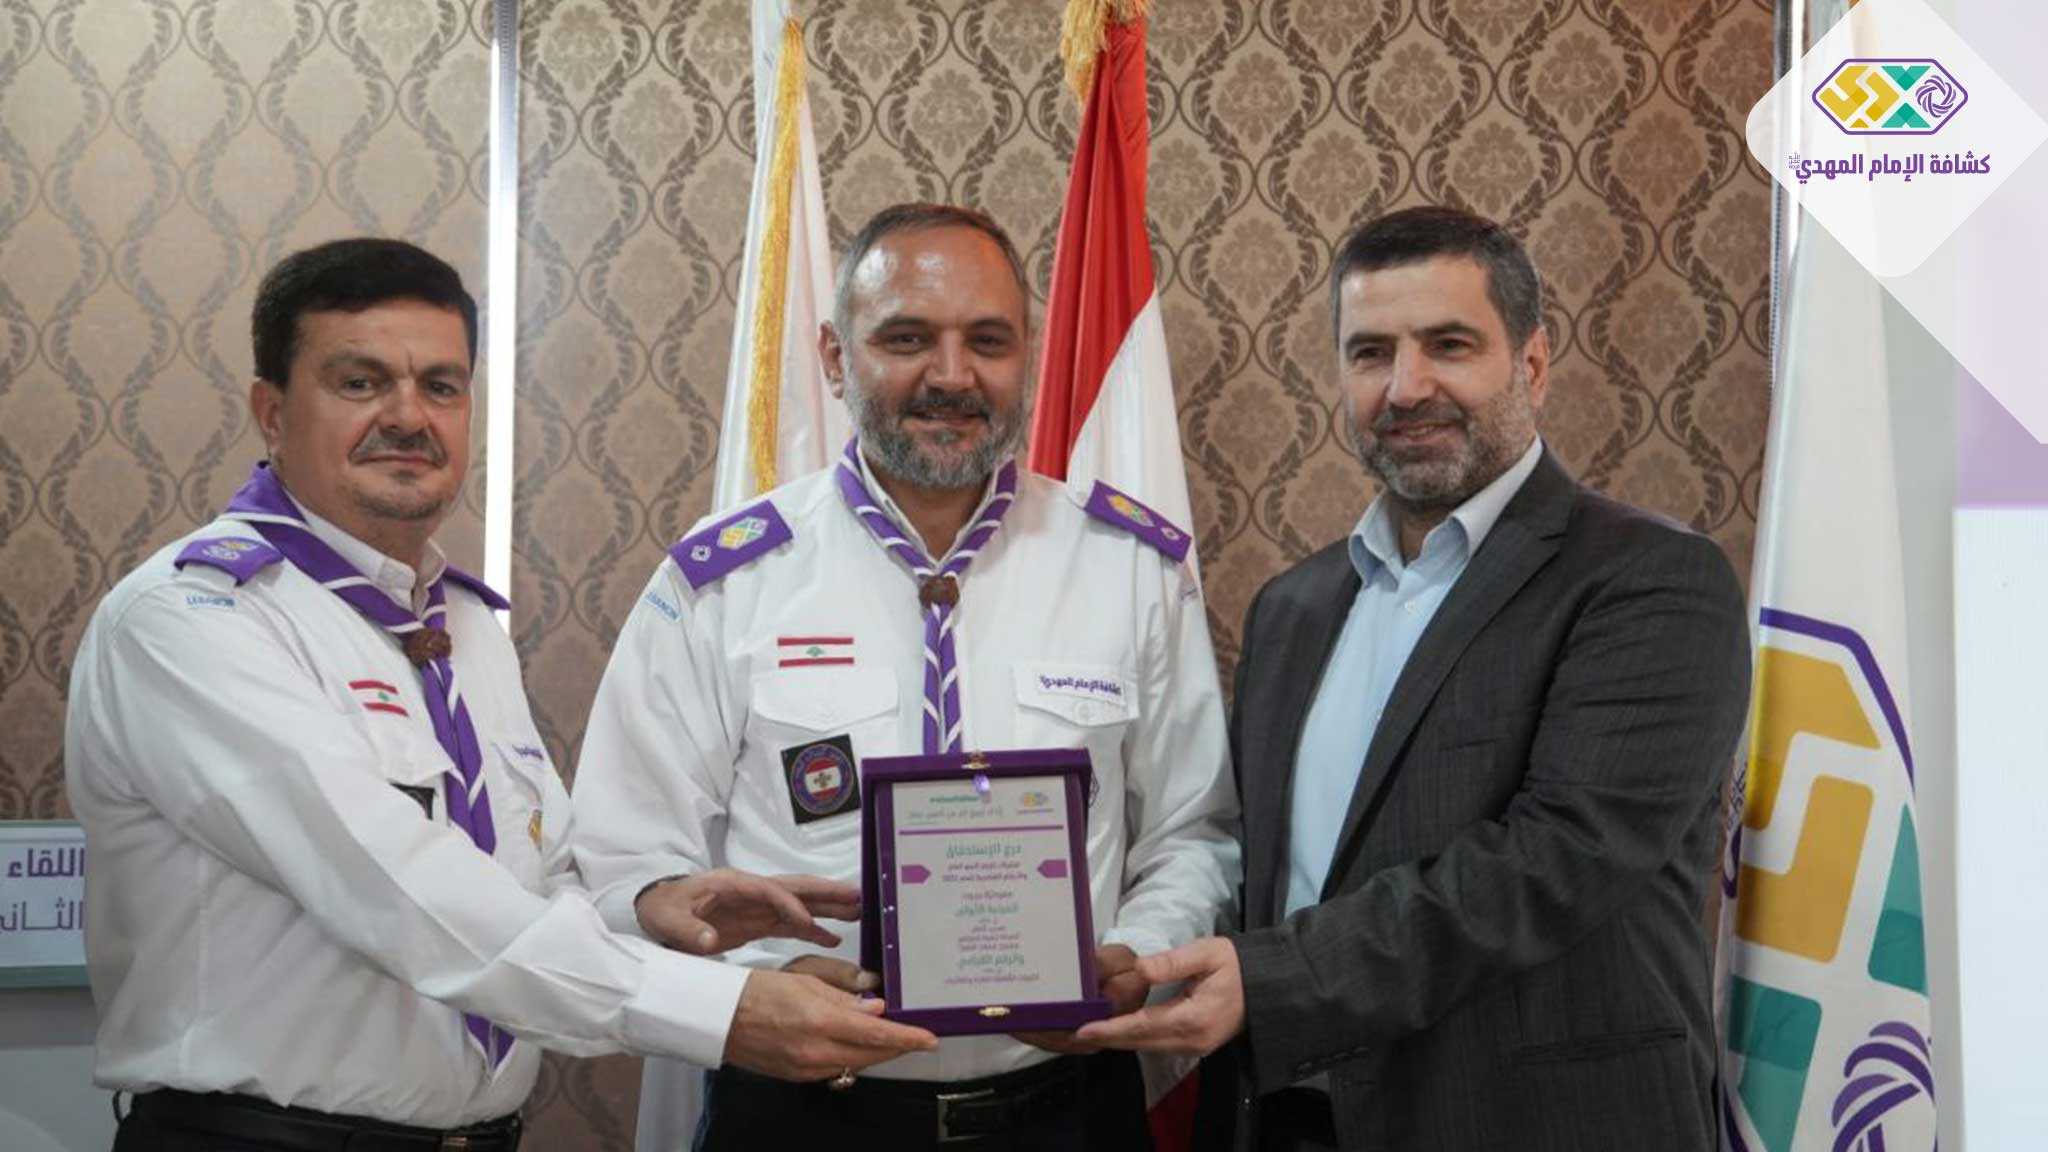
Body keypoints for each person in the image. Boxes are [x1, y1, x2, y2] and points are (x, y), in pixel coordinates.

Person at [65, 238, 936, 1152]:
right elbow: (403, 893)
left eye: (441, 386)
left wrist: (652, 915)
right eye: (361, 383)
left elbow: (530, 884)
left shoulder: (462, 624)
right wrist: (724, 1013)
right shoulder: (191, 621)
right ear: (272, 413)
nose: (409, 417)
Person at [1075, 206, 1751, 1152]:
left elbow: (1553, 862)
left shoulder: (1650, 581)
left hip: (1530, 1124)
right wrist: (1125, 954)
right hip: (1289, 1119)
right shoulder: (1293, 608)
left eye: (1449, 345)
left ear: (1533, 364)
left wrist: (1272, 981)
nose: (1406, 387)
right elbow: (1253, 861)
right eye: (1370, 353)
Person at [571, 202, 1240, 1149]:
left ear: (1027, 355)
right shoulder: (726, 580)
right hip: (802, 1114)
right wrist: (749, 991)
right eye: (907, 338)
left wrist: (1137, 955)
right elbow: (624, 856)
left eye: (988, 341)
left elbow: (1194, 831)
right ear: (834, 357)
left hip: (1066, 1111)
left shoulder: (1129, 567)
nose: (952, 376)